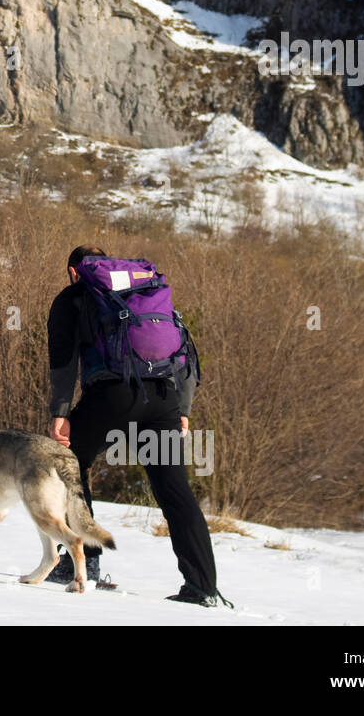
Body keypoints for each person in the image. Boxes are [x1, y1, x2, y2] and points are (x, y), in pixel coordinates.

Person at [44, 244, 226, 607]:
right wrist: (183, 408)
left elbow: (63, 362)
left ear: (73, 271)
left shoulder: (73, 298)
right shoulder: (147, 291)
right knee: (175, 490)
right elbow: (183, 350)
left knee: (65, 463)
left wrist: (60, 412)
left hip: (113, 395)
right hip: (163, 399)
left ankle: (85, 562)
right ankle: (202, 586)